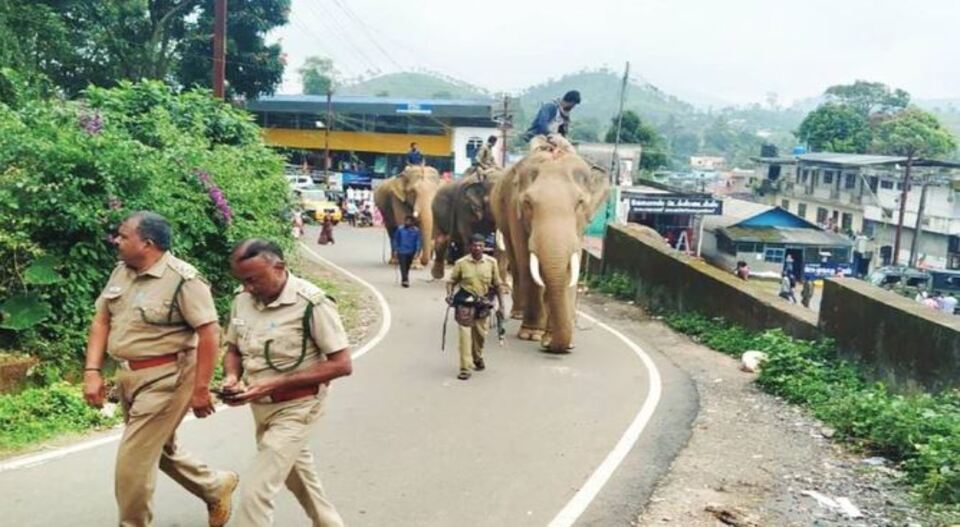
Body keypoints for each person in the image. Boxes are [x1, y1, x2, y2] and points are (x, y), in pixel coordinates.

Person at [83, 211, 237, 527]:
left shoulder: (184, 280)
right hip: (128, 375)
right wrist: (92, 372)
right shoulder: (121, 272)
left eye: (123, 236)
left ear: (147, 243)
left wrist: (201, 388)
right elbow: (101, 320)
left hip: (169, 377)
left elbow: (210, 333)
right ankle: (214, 485)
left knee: (134, 459)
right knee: (157, 447)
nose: (117, 240)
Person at [222, 239, 352, 527]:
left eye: (254, 279)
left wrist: (274, 384)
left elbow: (342, 364)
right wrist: (232, 378)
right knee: (300, 479)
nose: (248, 288)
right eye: (242, 281)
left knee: (256, 489)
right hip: (260, 406)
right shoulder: (242, 301)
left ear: (279, 267)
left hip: (299, 407)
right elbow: (233, 350)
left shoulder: (312, 304)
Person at [446, 234, 504, 380]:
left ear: (484, 247)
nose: (477, 248)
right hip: (464, 305)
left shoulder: (491, 263)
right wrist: (449, 294)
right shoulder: (461, 263)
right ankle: (465, 367)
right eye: (474, 245)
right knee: (464, 336)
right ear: (469, 247)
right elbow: (451, 281)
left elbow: (497, 285)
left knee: (480, 335)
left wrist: (501, 305)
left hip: (482, 305)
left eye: (480, 245)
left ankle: (477, 357)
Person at [393, 215, 422, 287]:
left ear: (412, 222)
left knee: (407, 266)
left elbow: (418, 241)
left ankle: (405, 277)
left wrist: (418, 251)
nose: (407, 222)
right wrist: (395, 250)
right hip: (401, 251)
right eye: (406, 221)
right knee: (402, 266)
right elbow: (396, 240)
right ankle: (405, 280)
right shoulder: (400, 229)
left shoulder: (416, 231)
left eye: (409, 221)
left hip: (411, 251)